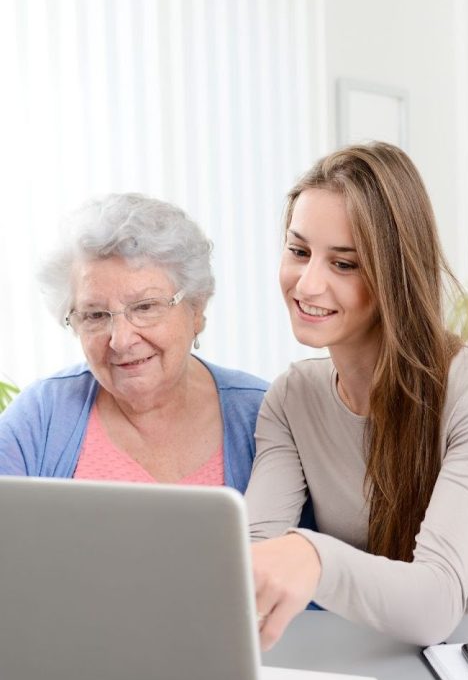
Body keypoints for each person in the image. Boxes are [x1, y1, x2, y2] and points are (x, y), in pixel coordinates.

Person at [246, 142, 468, 649]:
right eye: (299, 252)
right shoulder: (292, 399)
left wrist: (313, 557)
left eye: (344, 264)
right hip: (403, 656)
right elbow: (254, 555)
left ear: (396, 274)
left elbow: (434, 603)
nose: (307, 285)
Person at [0, 193, 268, 492]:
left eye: (145, 307)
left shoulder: (263, 414)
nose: (121, 340)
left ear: (196, 309)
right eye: (95, 315)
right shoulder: (41, 414)